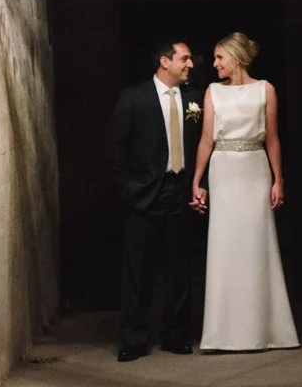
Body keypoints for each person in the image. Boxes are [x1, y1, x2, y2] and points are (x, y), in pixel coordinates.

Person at [190, 32, 299, 351]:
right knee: (225, 245)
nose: (214, 64)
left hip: (254, 169)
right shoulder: (212, 92)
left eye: (219, 58)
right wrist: (198, 181)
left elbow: (273, 139)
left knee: (256, 243)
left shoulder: (265, 90)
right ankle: (223, 333)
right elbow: (206, 140)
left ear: (235, 58)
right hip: (224, 170)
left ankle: (264, 329)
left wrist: (278, 180)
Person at [109, 38, 204, 362]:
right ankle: (133, 340)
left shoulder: (194, 98)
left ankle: (176, 336)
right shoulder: (134, 97)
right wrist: (129, 191)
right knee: (139, 271)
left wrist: (196, 185)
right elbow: (117, 151)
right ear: (165, 61)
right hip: (145, 196)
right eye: (185, 59)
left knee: (179, 269)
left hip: (180, 193)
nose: (190, 65)